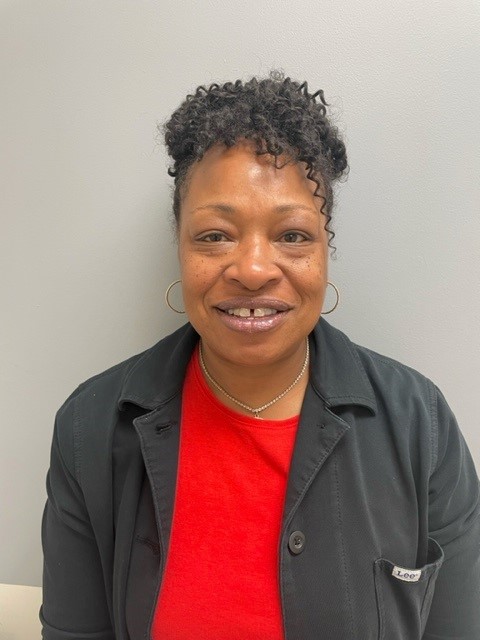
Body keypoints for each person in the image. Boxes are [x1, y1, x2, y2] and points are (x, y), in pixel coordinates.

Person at [40, 72, 480, 640]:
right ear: (179, 244)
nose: (252, 270)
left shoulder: (420, 424)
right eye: (215, 235)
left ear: (325, 250)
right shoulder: (91, 428)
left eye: (292, 235)